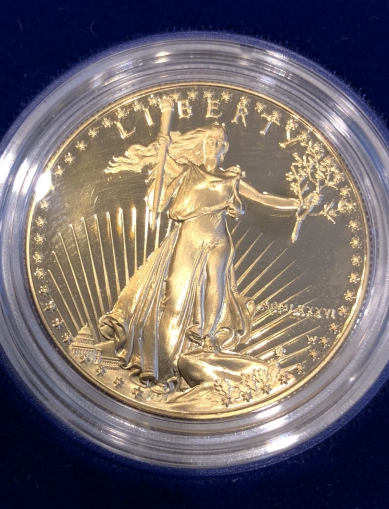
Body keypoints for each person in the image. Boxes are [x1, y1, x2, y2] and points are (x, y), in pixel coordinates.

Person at [98, 123, 308, 395]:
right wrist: (163, 150)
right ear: (203, 144)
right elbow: (161, 182)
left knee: (214, 287)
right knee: (175, 294)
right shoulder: (188, 171)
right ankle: (160, 363)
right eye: (211, 140)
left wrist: (297, 205)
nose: (214, 145)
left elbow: (262, 199)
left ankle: (208, 339)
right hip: (190, 236)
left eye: (220, 142)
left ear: (225, 149)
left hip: (219, 239)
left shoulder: (231, 180)